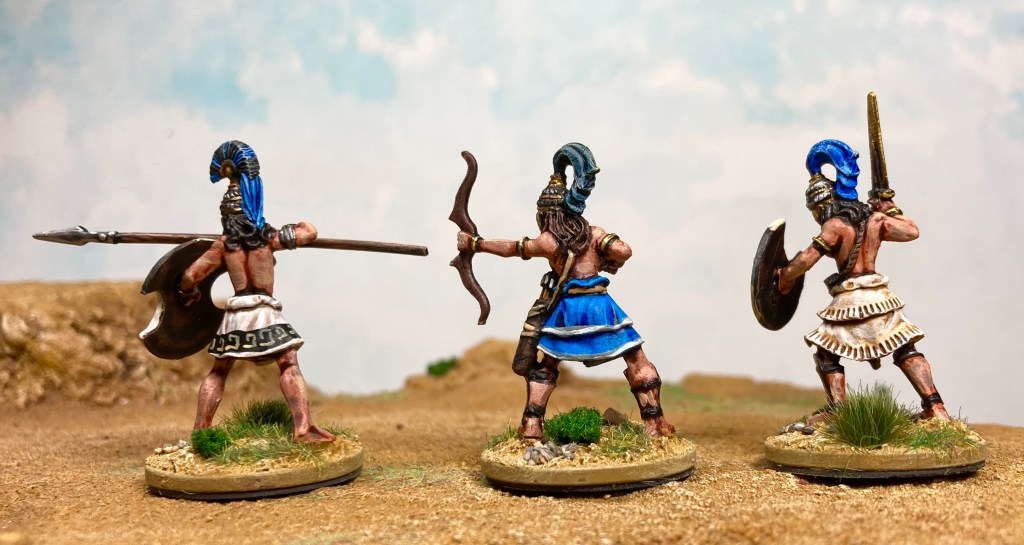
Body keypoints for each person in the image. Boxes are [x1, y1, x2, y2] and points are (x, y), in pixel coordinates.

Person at [457, 143, 676, 439]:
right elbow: (623, 250)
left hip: (569, 310)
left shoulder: (548, 241)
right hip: (600, 306)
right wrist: (606, 254)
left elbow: (512, 248)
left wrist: (475, 244)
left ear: (547, 213)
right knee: (636, 358)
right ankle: (654, 424)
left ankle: (532, 426)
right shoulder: (595, 233)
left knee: (547, 365)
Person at [777, 139, 950, 424]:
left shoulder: (834, 226)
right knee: (904, 346)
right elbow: (911, 230)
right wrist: (890, 208)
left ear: (824, 204)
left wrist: (785, 276)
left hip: (852, 297)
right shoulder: (875, 218)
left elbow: (807, 259)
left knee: (826, 354)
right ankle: (936, 407)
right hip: (879, 294)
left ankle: (839, 412)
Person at [177, 140, 334, 443]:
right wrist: (299, 224)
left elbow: (189, 276)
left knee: (219, 370)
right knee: (288, 362)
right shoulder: (268, 238)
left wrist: (189, 292)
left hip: (236, 315)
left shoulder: (223, 246)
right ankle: (303, 428)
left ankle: (201, 429)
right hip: (263, 312)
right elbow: (309, 232)